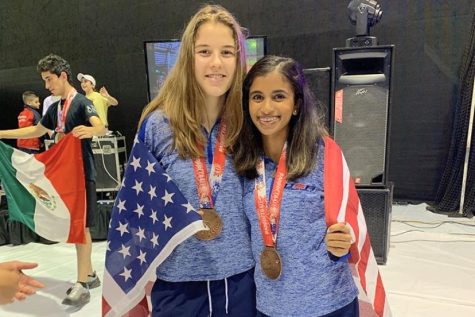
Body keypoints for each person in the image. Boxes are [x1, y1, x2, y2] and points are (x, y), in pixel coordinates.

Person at [137, 4, 255, 316]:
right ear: (188, 57)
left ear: (238, 59)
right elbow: (137, 210)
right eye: (204, 51)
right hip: (179, 286)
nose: (216, 63)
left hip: (242, 283)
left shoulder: (249, 123)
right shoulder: (158, 125)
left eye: (227, 52)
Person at [233, 55, 360, 316]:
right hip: (270, 307)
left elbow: (350, 224)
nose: (266, 108)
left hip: (329, 305)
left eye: (278, 96)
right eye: (257, 97)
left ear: (296, 105)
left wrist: (344, 242)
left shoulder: (324, 155)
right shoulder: (243, 163)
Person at [0, 53, 106, 307]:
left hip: (82, 173)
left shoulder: (79, 102)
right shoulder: (56, 107)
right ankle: (89, 274)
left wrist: (92, 131)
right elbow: (37, 130)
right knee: (77, 224)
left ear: (62, 76)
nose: (46, 86)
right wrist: (2, 133)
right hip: (63, 174)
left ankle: (81, 283)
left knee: (81, 226)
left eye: (49, 80)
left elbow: (100, 125)